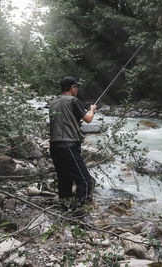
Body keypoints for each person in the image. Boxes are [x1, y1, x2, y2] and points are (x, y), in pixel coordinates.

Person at [49, 76, 97, 210]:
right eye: (76, 87)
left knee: (65, 179)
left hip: (54, 146)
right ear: (72, 88)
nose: (77, 89)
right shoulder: (74, 100)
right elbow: (88, 119)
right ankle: (78, 212)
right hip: (69, 145)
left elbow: (66, 119)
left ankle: (64, 210)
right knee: (85, 181)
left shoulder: (53, 102)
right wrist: (92, 109)